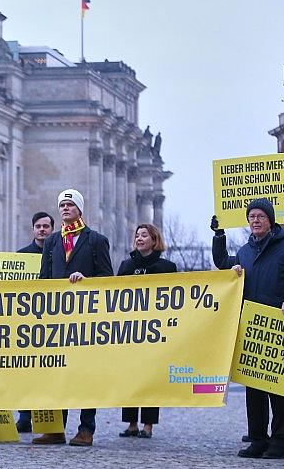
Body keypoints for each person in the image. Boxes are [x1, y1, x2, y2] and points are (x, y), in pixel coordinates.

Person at [212, 200, 284, 459]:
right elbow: (223, 262)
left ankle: (279, 441)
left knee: (279, 389)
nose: (255, 220)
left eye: (260, 216)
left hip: (279, 326)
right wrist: (219, 235)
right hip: (252, 327)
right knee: (254, 388)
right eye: (251, 217)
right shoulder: (245, 252)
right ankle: (257, 439)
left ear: (270, 220)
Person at [34, 188, 113, 447]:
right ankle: (55, 429)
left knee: (85, 376)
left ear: (79, 209)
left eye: (70, 205)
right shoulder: (53, 241)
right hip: (57, 318)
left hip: (85, 318)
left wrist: (87, 281)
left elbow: (106, 278)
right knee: (56, 374)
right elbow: (44, 278)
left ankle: (86, 428)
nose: (65, 208)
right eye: (62, 205)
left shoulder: (96, 240)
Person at [117, 223, 178, 438]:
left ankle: (148, 425)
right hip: (130, 331)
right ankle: (131, 423)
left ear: (154, 240)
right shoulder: (125, 266)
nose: (139, 238)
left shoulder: (167, 268)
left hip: (155, 331)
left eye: (144, 235)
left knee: (151, 378)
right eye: (137, 235)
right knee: (131, 376)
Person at [14, 211, 53, 432]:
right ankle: (25, 415)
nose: (42, 230)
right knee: (25, 372)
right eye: (38, 226)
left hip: (52, 319)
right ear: (33, 229)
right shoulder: (22, 255)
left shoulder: (58, 253)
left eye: (46, 226)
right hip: (27, 322)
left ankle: (46, 417)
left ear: (52, 229)